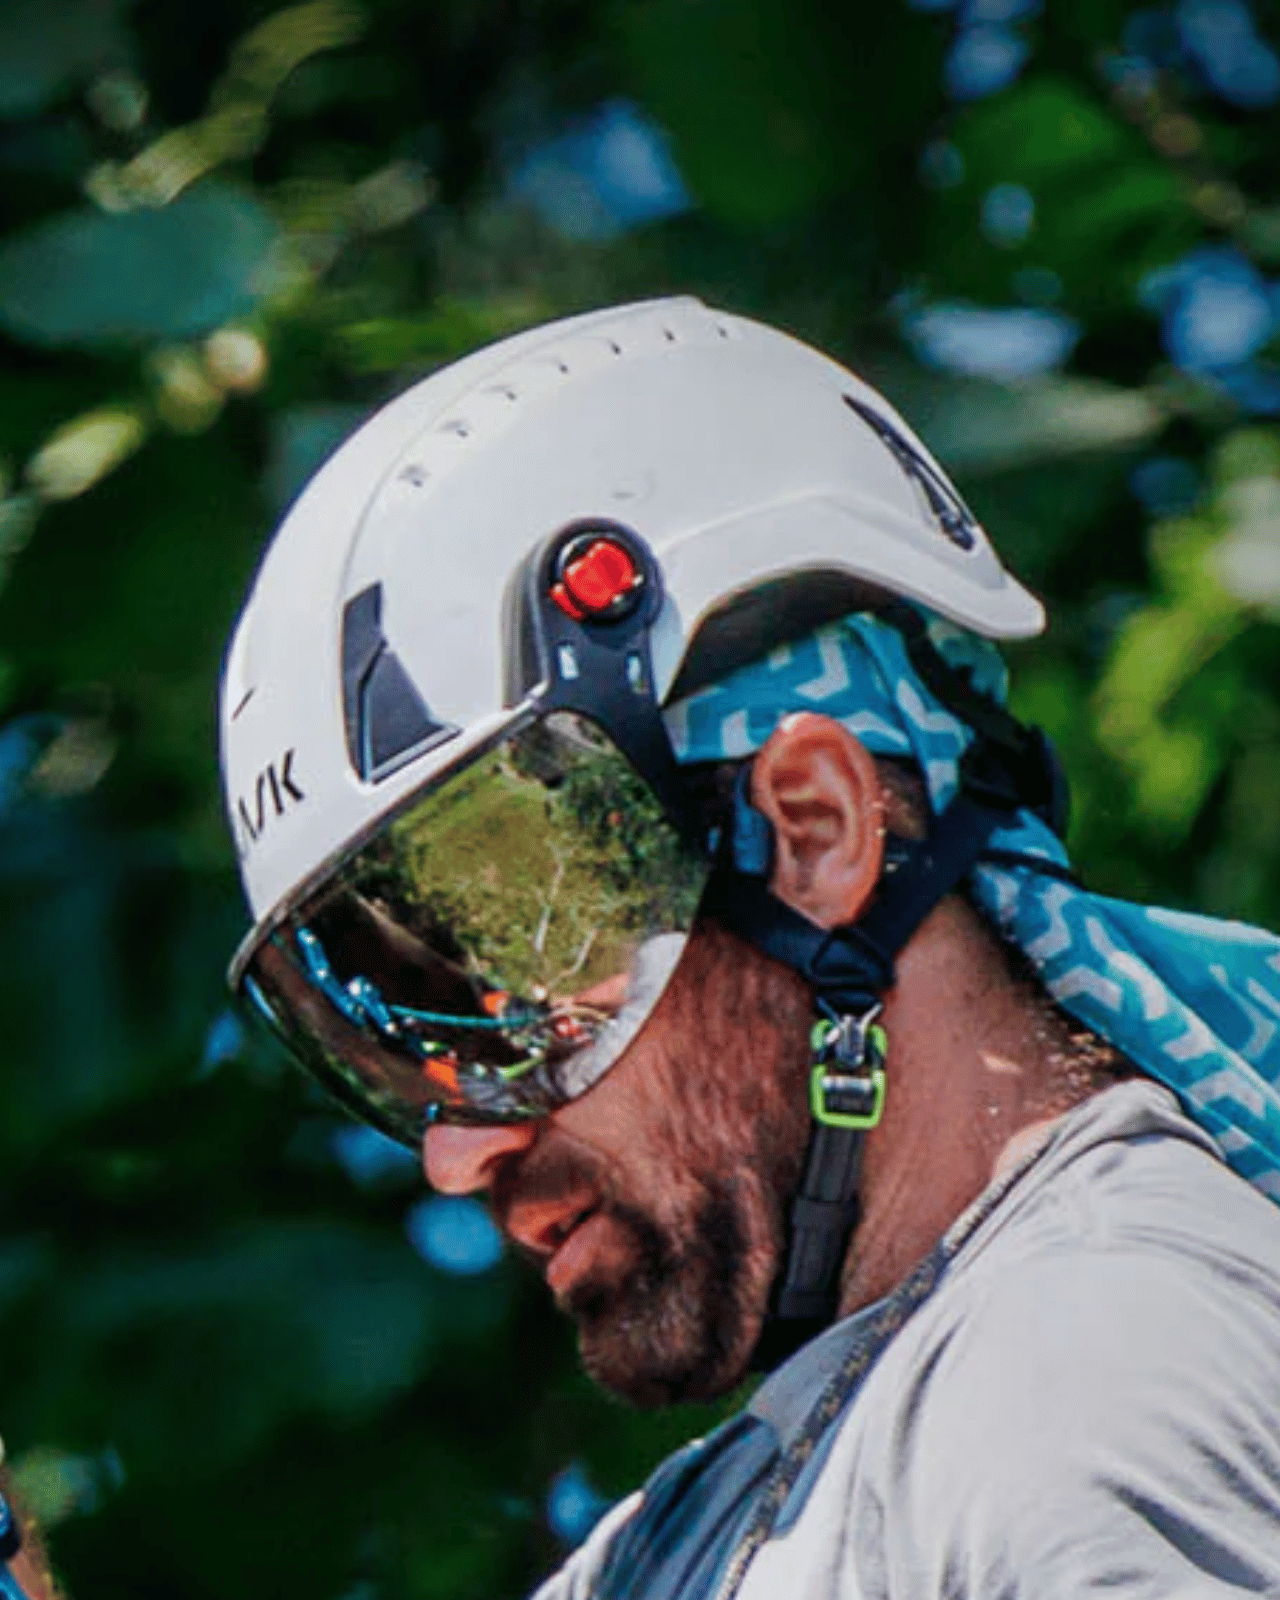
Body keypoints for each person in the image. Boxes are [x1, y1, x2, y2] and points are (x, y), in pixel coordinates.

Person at [220, 297, 1280, 1598]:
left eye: (521, 969)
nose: (458, 1148)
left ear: (817, 832)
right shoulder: (739, 1509)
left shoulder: (1090, 1366)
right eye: (396, 1028)